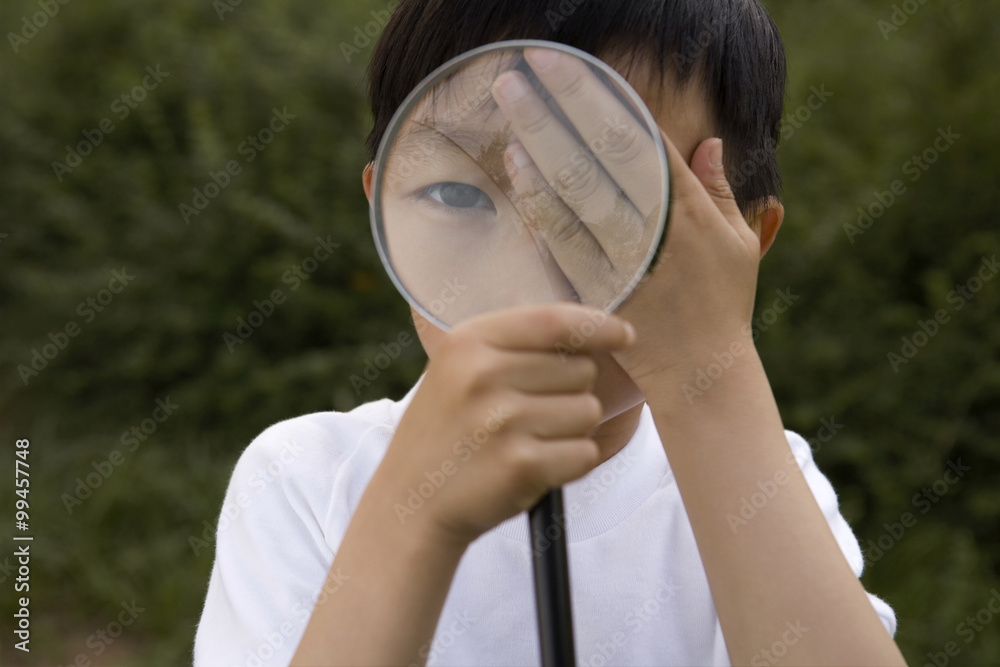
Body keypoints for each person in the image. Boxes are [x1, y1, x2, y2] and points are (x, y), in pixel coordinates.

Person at [194, 1, 907, 665]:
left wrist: (709, 374)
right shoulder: (307, 480)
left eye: (614, 208)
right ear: (384, 211)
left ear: (745, 243)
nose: (529, 276)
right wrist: (413, 521)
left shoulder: (759, 481)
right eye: (456, 194)